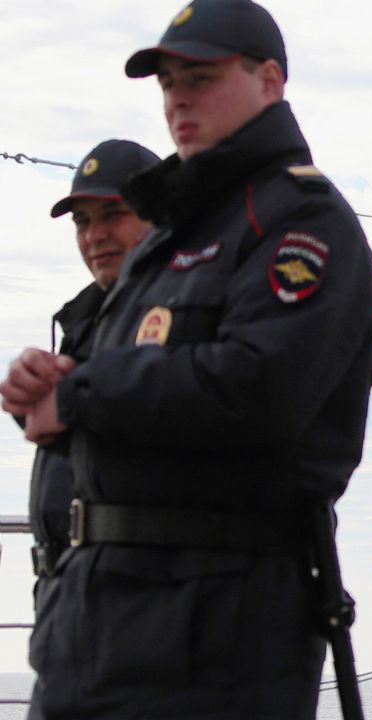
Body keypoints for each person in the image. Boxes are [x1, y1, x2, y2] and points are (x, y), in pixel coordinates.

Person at [2, 0, 372, 716]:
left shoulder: (301, 221)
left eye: (201, 77)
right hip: (92, 626)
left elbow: (261, 389)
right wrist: (48, 391)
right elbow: (114, 384)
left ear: (269, 81)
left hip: (214, 637)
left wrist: (81, 394)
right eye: (168, 80)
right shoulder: (166, 240)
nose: (178, 96)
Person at [5, 140, 159, 592]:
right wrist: (30, 397)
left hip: (132, 593)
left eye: (113, 215)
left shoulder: (174, 312)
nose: (94, 235)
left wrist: (74, 397)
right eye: (83, 221)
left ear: (160, 215)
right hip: (67, 590)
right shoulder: (87, 321)